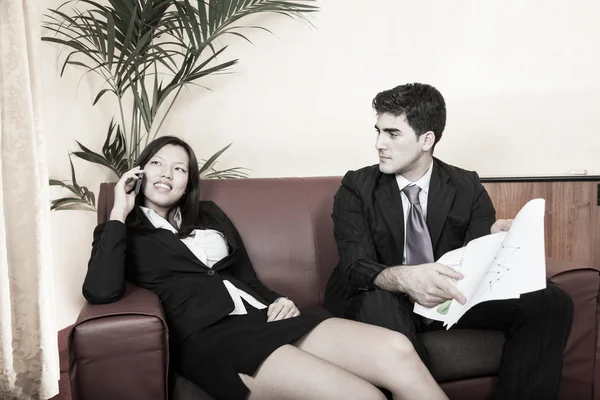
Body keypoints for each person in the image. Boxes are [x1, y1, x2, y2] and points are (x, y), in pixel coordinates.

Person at [82, 135, 449, 400]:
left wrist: (278, 300)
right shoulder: (125, 229)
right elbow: (101, 291)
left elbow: (243, 276)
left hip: (265, 317)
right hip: (210, 336)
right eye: (157, 163)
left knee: (396, 349)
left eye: (179, 169)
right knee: (363, 396)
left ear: (188, 182)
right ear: (140, 172)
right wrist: (118, 212)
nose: (167, 174)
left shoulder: (208, 216)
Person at [324, 83, 574, 400]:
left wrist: (495, 243)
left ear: (427, 139)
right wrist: (407, 278)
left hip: (448, 295)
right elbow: (355, 266)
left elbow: (475, 261)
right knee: (378, 302)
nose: (379, 144)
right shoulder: (356, 185)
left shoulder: (465, 184)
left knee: (551, 300)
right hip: (384, 293)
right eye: (378, 131)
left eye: (392, 133)